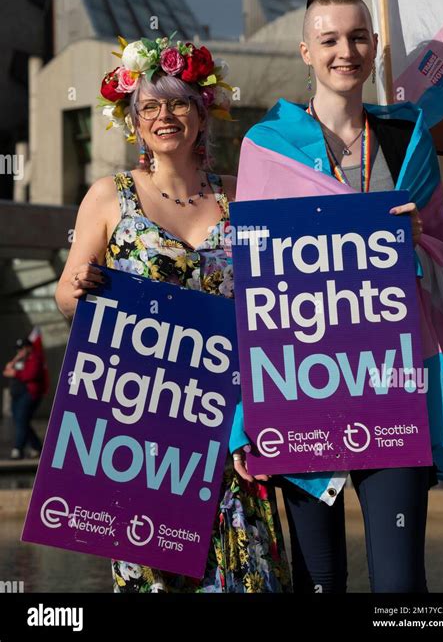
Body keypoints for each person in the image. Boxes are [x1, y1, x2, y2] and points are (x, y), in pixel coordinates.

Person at [231, 0, 443, 593]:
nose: (347, 50)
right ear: (305, 52)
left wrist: (416, 239)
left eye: (359, 37)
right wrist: (242, 419)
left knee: (400, 587)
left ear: (373, 46)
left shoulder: (407, 137)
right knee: (321, 581)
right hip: (300, 390)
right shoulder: (266, 147)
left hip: (392, 389)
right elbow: (249, 291)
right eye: (330, 38)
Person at [55, 34, 291, 593]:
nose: (165, 116)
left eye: (179, 102)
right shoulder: (109, 196)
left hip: (231, 428)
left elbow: (296, 280)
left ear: (203, 112)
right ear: (135, 122)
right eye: (151, 106)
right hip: (145, 434)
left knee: (245, 576)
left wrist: (392, 229)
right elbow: (69, 294)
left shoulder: (243, 196)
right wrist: (79, 289)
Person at [3, 337, 45, 459]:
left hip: (29, 394)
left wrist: (15, 373)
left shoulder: (35, 358)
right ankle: (37, 447)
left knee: (22, 420)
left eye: (22, 348)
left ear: (29, 347)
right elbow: (7, 369)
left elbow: (30, 374)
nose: (19, 351)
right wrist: (16, 359)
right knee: (21, 422)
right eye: (18, 349)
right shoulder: (21, 360)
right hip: (17, 395)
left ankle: (18, 449)